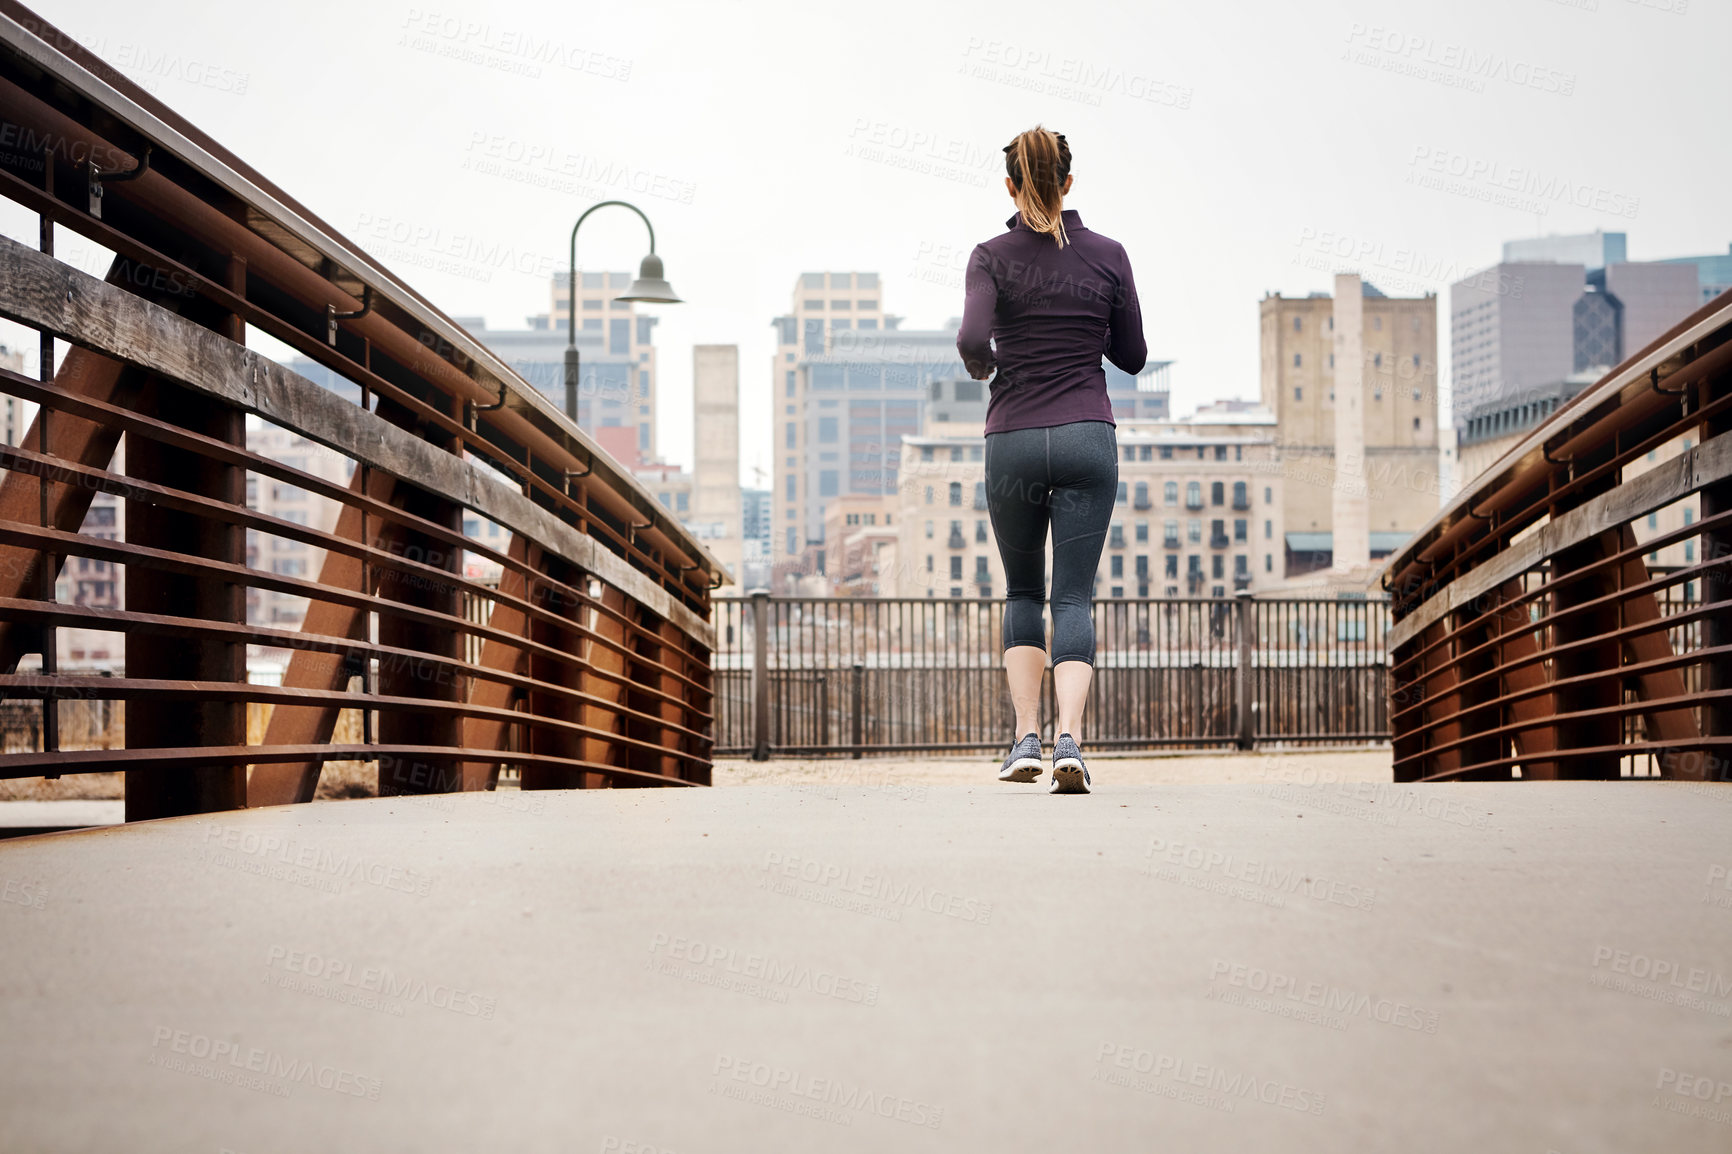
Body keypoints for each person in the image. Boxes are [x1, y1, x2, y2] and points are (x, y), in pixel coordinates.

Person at [956, 125, 1147, 795]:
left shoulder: (989, 255)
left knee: (1023, 591)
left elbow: (972, 337)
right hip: (1085, 437)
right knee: (1071, 594)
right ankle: (1071, 739)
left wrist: (990, 367)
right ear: (1068, 183)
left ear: (1010, 186)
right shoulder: (1110, 255)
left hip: (1011, 436)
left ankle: (1026, 741)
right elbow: (1133, 355)